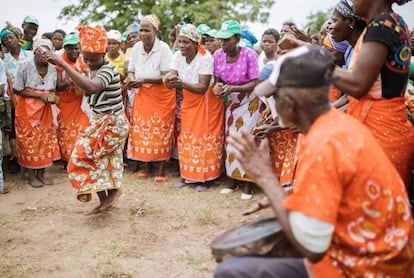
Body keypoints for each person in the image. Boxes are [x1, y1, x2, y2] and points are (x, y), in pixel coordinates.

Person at [214, 45, 413, 278]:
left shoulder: (322, 142)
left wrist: (267, 180)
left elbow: (312, 246)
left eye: (274, 97)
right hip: (392, 255)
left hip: (365, 268)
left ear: (288, 103)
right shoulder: (339, 123)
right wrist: (294, 194)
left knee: (230, 271)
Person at [46, 25, 129, 214]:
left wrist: (63, 64)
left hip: (112, 124)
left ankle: (112, 192)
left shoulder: (108, 70)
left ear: (104, 53)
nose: (90, 63)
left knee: (81, 157)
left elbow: (92, 88)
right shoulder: (93, 68)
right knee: (95, 159)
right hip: (102, 122)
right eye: (87, 59)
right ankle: (106, 197)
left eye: (94, 59)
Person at [333, 0, 414, 188]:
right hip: (389, 128)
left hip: (379, 134)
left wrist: (310, 59)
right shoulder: (393, 22)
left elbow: (358, 84)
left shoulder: (381, 25)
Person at [164, 24, 224, 191]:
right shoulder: (177, 56)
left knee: (205, 138)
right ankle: (188, 175)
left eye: (186, 42)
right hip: (189, 100)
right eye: (180, 42)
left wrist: (180, 82)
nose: (181, 46)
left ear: (196, 43)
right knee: (187, 137)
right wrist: (169, 78)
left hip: (207, 102)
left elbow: (203, 87)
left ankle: (204, 178)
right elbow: (171, 75)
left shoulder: (205, 58)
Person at [213, 20, 260, 200]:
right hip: (231, 102)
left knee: (246, 139)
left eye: (227, 40)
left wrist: (232, 89)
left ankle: (248, 183)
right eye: (221, 40)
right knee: (231, 140)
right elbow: (218, 78)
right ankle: (232, 180)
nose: (223, 43)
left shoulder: (249, 55)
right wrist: (220, 88)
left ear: (238, 38)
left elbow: (255, 82)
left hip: (249, 101)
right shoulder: (218, 55)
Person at [126, 14, 176, 182]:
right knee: (142, 130)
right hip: (142, 95)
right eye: (141, 30)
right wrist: (132, 78)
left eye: (147, 30)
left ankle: (160, 170)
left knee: (160, 130)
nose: (143, 33)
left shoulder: (163, 49)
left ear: (156, 31)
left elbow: (166, 75)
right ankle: (146, 167)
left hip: (161, 95)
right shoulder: (136, 48)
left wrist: (144, 79)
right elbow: (131, 69)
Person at [12, 39, 60, 187]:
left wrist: (50, 97)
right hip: (27, 109)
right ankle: (31, 175)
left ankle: (42, 173)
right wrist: (39, 96)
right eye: (41, 52)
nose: (44, 56)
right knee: (29, 140)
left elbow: (52, 88)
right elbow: (17, 89)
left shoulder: (53, 68)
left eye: (47, 52)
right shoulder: (24, 65)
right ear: (35, 52)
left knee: (46, 139)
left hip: (46, 110)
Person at [1, 23, 33, 174]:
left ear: (17, 38)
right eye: (5, 39)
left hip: (30, 98)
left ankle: (30, 160)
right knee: (14, 130)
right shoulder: (4, 59)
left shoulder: (29, 55)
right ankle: (17, 160)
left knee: (29, 129)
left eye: (11, 37)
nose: (8, 41)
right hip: (13, 100)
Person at [55, 33, 90, 170]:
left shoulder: (82, 60)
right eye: (70, 49)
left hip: (80, 101)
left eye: (76, 48)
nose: (74, 51)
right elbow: (57, 86)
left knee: (82, 129)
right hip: (65, 102)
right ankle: (67, 161)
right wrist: (68, 82)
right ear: (65, 49)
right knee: (65, 132)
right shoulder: (60, 61)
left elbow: (88, 77)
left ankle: (80, 159)